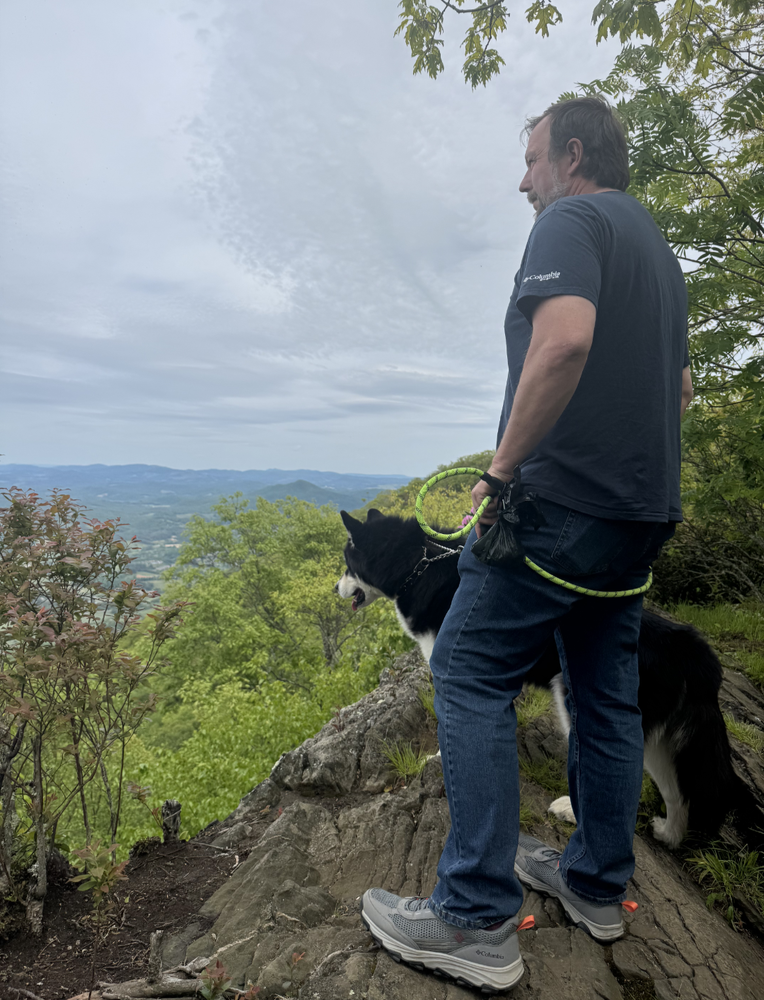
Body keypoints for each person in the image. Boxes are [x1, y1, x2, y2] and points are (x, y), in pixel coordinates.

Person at [360, 96, 691, 992]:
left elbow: (564, 342)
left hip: (558, 507)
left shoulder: (571, 221)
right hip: (639, 513)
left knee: (466, 669)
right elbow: (681, 392)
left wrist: (502, 471)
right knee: (604, 692)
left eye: (531, 159)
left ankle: (473, 917)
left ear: (571, 156)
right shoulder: (658, 253)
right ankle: (595, 883)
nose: (523, 181)